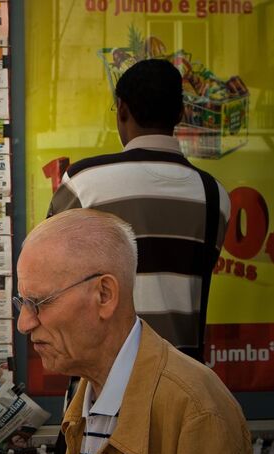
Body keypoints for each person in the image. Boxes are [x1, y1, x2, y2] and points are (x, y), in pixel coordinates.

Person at [15, 208, 251, 454]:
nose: (23, 323)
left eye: (39, 302)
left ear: (104, 295)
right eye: (22, 303)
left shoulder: (197, 410)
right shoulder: (88, 396)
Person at [48, 59, 230, 358]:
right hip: (183, 376)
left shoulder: (83, 182)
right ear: (181, 113)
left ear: (122, 109)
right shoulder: (214, 195)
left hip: (105, 373)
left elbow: (50, 272)